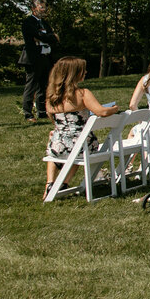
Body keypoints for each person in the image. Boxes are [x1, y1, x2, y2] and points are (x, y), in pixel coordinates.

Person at [43, 57, 119, 199]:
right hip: (81, 144)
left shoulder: (50, 97)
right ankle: (64, 183)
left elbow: (53, 121)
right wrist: (114, 109)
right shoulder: (82, 93)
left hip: (57, 145)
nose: (85, 72)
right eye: (82, 70)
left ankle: (50, 183)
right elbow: (101, 112)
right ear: (74, 74)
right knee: (78, 149)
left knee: (56, 146)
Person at [20, 0, 59, 122]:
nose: (44, 10)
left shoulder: (45, 23)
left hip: (46, 57)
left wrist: (45, 38)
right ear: (33, 8)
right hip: (33, 59)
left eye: (44, 8)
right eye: (41, 8)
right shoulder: (28, 22)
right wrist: (44, 37)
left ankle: (41, 111)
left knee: (44, 85)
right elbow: (38, 36)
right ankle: (28, 113)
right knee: (31, 85)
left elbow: (53, 38)